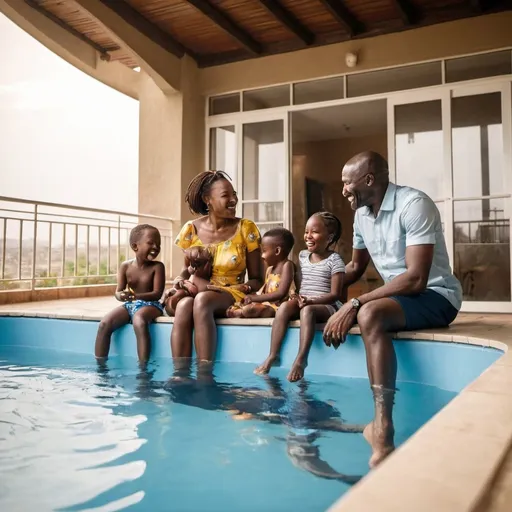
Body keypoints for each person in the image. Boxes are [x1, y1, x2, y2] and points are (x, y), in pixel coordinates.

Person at [323, 151, 462, 468]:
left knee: (368, 313)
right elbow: (356, 268)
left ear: (368, 180)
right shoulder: (361, 215)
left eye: (347, 183)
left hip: (436, 296)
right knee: (366, 312)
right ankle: (380, 426)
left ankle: (382, 428)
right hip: (402, 300)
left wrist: (355, 304)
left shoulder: (414, 205)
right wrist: (320, 289)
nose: (343, 190)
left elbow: (415, 279)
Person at [166, 170, 263, 362]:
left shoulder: (246, 228)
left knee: (202, 300)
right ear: (207, 199)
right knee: (184, 304)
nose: (234, 200)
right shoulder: (190, 229)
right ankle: (180, 375)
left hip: (231, 293)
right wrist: (180, 281)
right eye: (226, 195)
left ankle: (205, 374)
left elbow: (257, 279)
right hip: (197, 292)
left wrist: (243, 288)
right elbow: (186, 270)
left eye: (234, 194)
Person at [255, 212, 344, 382]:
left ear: (330, 237)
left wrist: (311, 300)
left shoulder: (335, 260)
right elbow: (301, 283)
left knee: (307, 311)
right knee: (285, 307)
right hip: (305, 300)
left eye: (315, 232)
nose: (308, 236)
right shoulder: (303, 256)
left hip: (326, 305)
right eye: (306, 231)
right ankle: (273, 355)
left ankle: (301, 359)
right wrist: (296, 296)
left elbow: (335, 295)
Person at [95, 224, 165, 362]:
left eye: (158, 244)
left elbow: (157, 294)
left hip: (151, 305)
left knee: (139, 321)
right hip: (130, 305)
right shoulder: (125, 266)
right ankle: (100, 366)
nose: (156, 247)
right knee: (104, 323)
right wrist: (121, 296)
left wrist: (135, 296)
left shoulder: (157, 267)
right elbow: (118, 291)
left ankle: (143, 369)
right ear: (135, 246)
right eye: (151, 243)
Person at [226, 227, 296, 318]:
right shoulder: (269, 269)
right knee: (246, 304)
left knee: (254, 309)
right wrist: (252, 296)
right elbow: (264, 291)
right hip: (267, 304)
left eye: (264, 251)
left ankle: (240, 312)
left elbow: (281, 293)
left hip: (281, 307)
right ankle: (241, 310)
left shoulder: (288, 266)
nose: (262, 256)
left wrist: (255, 298)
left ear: (277, 251)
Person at [164, 246, 213, 314]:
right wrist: (180, 282)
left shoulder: (207, 279)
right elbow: (182, 276)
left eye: (197, 264)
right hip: (187, 292)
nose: (192, 267)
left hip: (196, 297)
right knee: (178, 292)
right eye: (191, 263)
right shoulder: (190, 273)